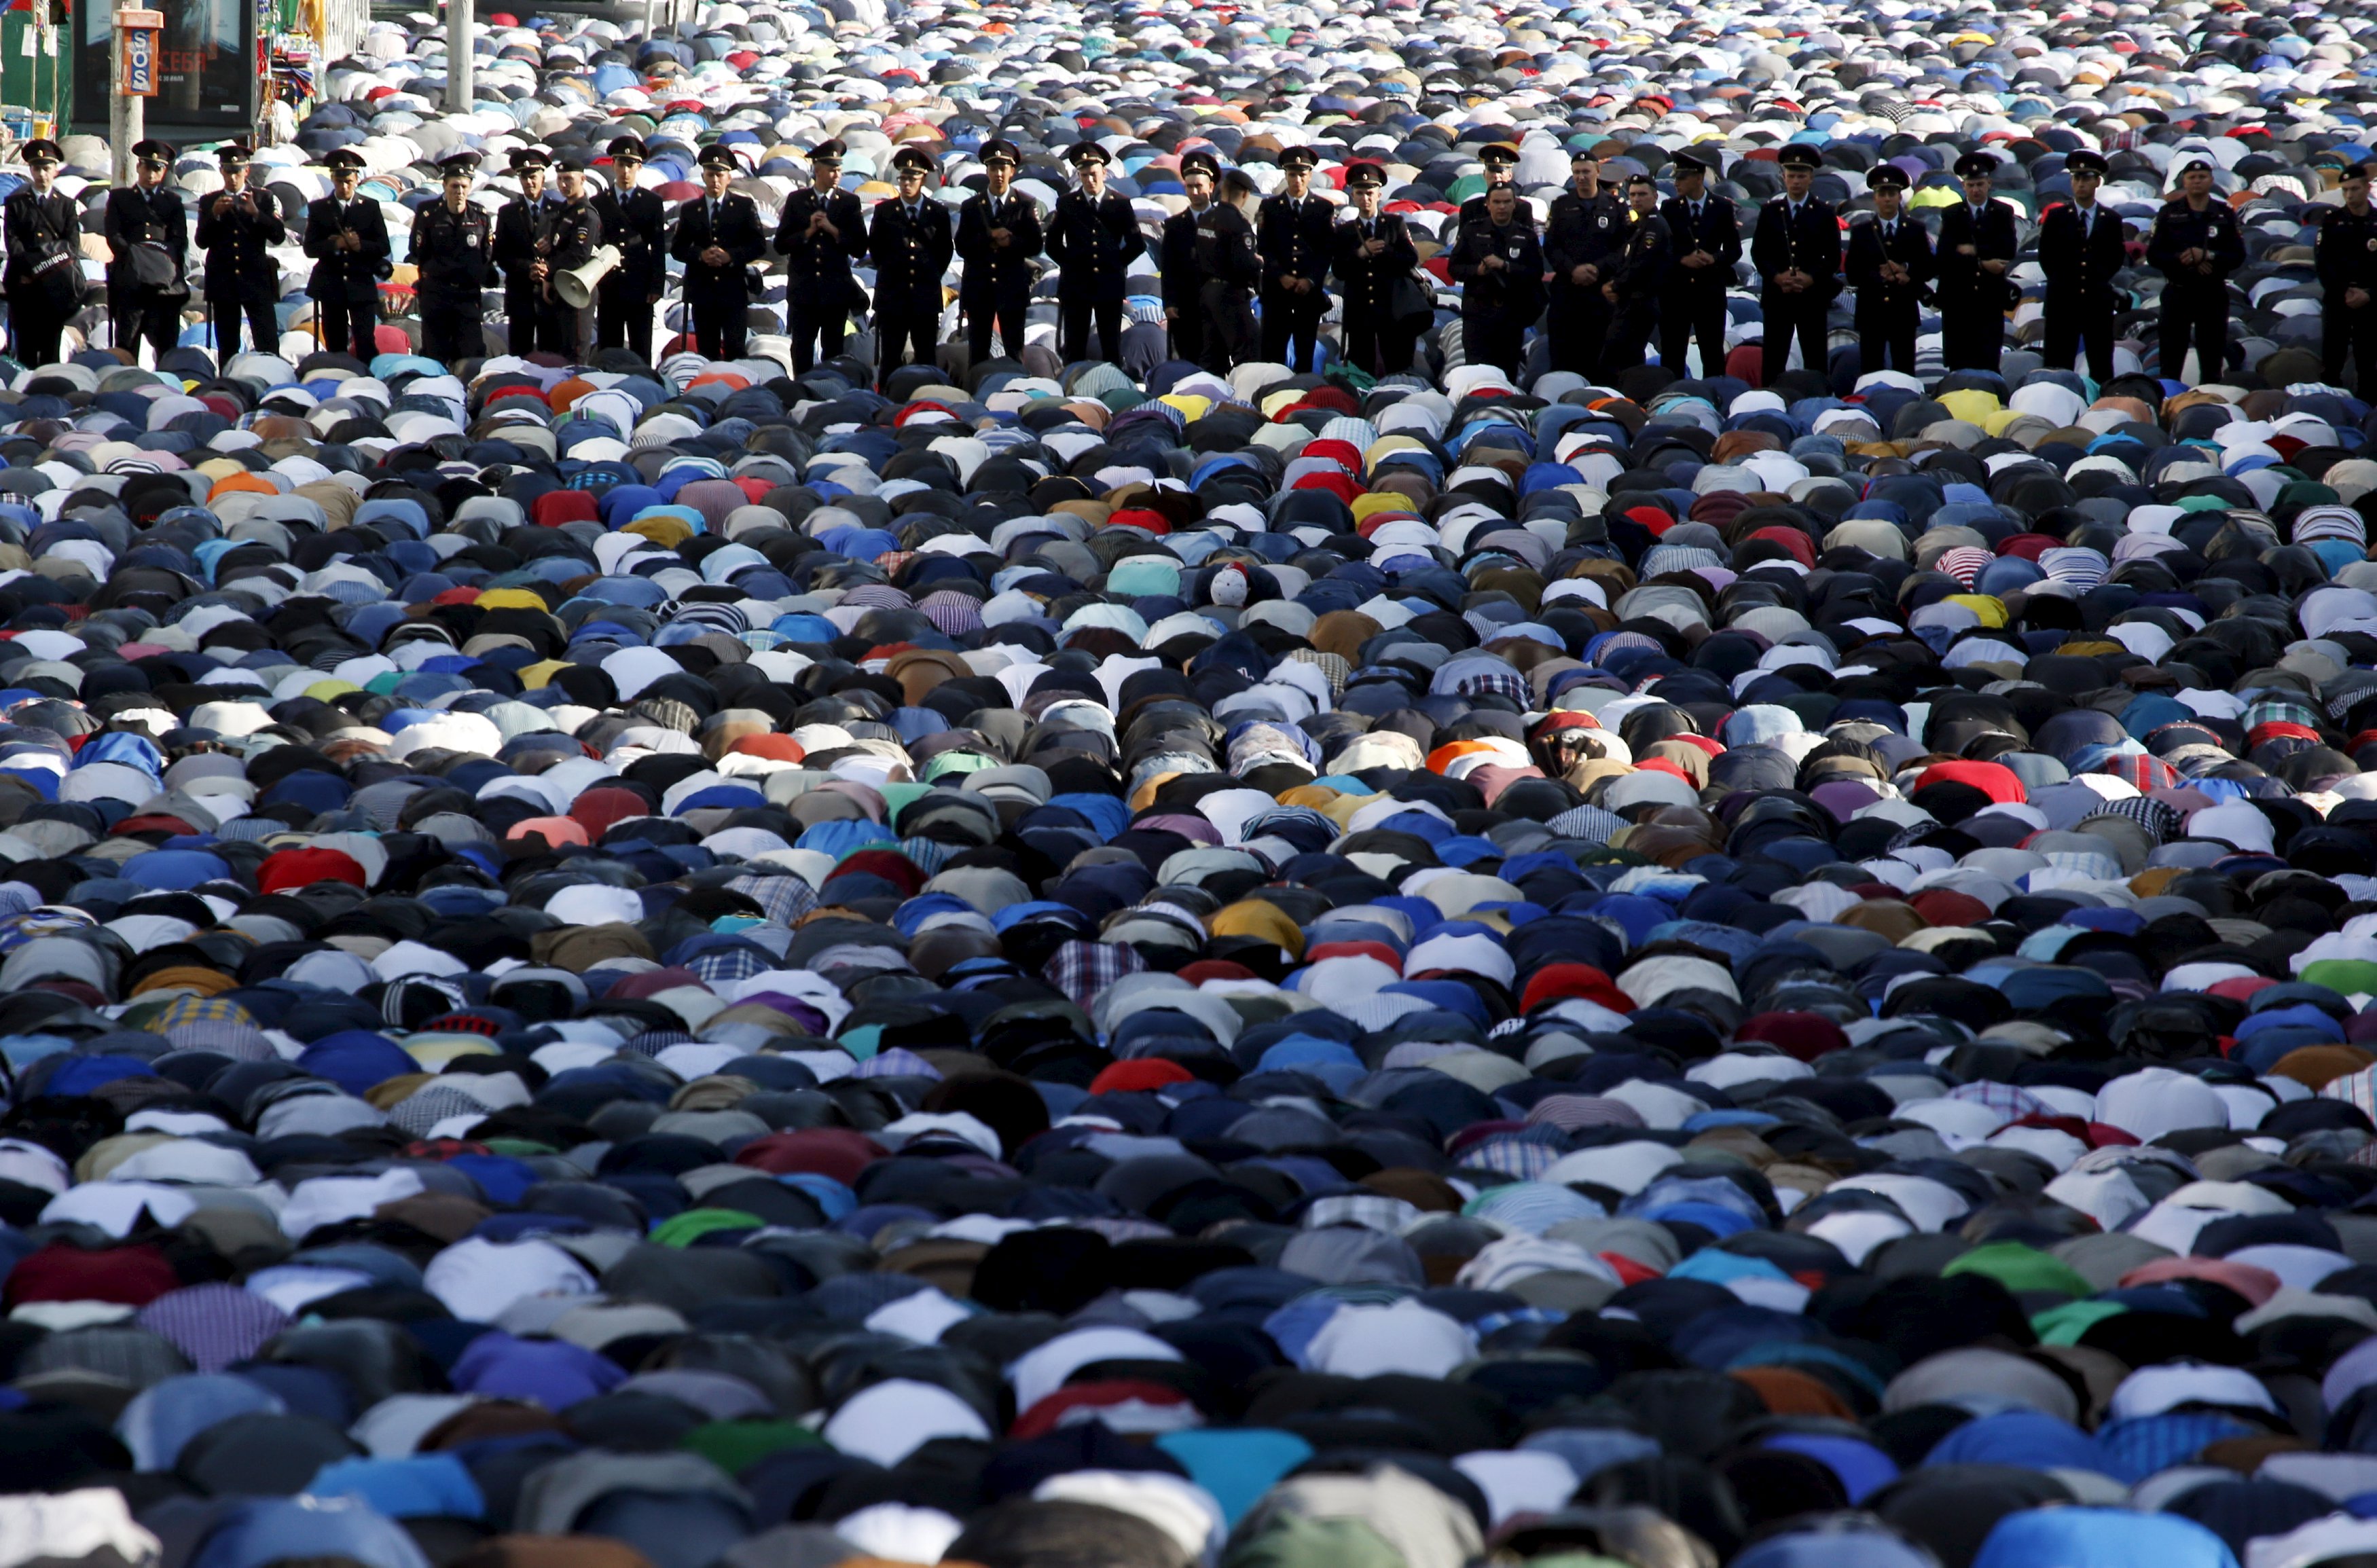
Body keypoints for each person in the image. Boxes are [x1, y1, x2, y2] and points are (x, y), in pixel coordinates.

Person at [2146, 156, 2243, 384]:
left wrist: (2209, 256)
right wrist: (2183, 259)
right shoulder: (2170, 214)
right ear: (2184, 182)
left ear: (2211, 180)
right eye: (2192, 177)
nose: (2197, 181)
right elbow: (2154, 255)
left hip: (2212, 293)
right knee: (2170, 358)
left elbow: (2237, 256)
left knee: (2212, 359)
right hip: (2178, 291)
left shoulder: (2224, 214)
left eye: (2202, 177)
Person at [776, 140, 867, 373]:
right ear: (818, 171)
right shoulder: (798, 201)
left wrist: (833, 229)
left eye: (839, 170)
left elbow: (859, 247)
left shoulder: (848, 202)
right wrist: (808, 231)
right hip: (804, 291)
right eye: (832, 170)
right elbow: (781, 244)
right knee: (802, 348)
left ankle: (829, 388)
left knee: (832, 350)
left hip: (835, 291)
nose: (837, 175)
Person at [1751, 143, 1840, 384]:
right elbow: (1759, 252)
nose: (1796, 181)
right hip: (1778, 294)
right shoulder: (1771, 211)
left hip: (1811, 295)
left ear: (1811, 178)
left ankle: (1817, 393)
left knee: (1815, 357)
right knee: (1774, 356)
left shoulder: (1824, 212)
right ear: (1783, 177)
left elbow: (1832, 256)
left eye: (1801, 176)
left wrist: (1811, 277)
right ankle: (1771, 393)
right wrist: (1777, 277)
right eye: (1791, 176)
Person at [1161, 151, 1256, 373]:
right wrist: (1170, 302)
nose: (1194, 192)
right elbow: (1169, 267)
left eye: (1199, 186)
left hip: (1218, 303)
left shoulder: (1225, 220)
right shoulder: (1175, 225)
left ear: (1211, 187)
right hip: (1187, 303)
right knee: (1188, 357)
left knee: (1217, 359)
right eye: (1190, 186)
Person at [2037, 148, 2128, 383]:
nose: (2081, 184)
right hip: (2062, 300)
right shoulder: (2057, 217)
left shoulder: (2111, 219)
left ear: (2098, 181)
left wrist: (2095, 280)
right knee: (2058, 363)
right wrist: (2066, 281)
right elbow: (2047, 257)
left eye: (2087, 178)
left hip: (2097, 301)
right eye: (2076, 178)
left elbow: (2115, 258)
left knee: (2100, 364)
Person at [1046, 143, 1140, 365]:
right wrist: (1071, 265)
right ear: (1079, 175)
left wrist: (1115, 265)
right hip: (1077, 285)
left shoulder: (1120, 203)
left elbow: (1137, 244)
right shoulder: (1068, 204)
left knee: (1110, 344)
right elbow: (1052, 243)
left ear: (1104, 173)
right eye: (1085, 175)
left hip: (1109, 284)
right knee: (1074, 345)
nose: (1090, 180)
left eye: (1094, 174)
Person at [670, 145, 767, 361]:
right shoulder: (690, 210)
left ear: (729, 178)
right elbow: (678, 247)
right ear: (703, 176)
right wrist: (700, 255)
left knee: (735, 349)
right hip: (703, 292)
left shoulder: (743, 206)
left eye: (720, 175)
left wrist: (731, 256)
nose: (715, 180)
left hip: (733, 290)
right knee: (707, 351)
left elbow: (758, 244)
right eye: (711, 174)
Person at [869, 145, 955, 385]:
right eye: (903, 178)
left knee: (926, 356)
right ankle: (888, 397)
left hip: (924, 296)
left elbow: (944, 252)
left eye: (912, 177)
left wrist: (929, 275)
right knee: (890, 358)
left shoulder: (937, 212)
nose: (906, 183)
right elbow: (876, 252)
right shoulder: (885, 211)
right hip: (893, 295)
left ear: (923, 178)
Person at [194, 142, 285, 363]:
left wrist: (256, 213)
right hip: (224, 281)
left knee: (267, 341)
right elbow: (201, 241)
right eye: (228, 172)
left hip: (255, 279)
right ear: (221, 171)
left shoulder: (263, 198)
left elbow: (278, 236)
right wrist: (214, 215)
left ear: (247, 171)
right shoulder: (209, 201)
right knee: (228, 345)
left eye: (237, 172)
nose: (233, 178)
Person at [1544, 147, 1628, 380]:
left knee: (1602, 360)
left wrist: (1599, 268)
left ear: (1597, 171)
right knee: (1564, 358)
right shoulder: (1561, 206)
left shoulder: (1615, 207)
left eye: (1586, 172)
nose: (1581, 177)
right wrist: (1573, 269)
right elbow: (1551, 246)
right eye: (1577, 172)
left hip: (1601, 293)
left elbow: (1623, 248)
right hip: (1568, 292)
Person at [954, 139, 1040, 365]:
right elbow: (962, 245)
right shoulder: (972, 206)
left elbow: (1035, 244)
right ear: (987, 171)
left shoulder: (1024, 204)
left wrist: (1010, 242)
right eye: (994, 169)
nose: (998, 174)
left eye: (1003, 169)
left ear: (1012, 171)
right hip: (979, 289)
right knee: (978, 352)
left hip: (1011, 288)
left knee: (1014, 350)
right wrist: (989, 238)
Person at [1330, 161, 1419, 378]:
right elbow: (1339, 270)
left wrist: (1385, 251)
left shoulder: (1394, 224)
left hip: (1392, 307)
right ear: (1353, 196)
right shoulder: (1345, 231)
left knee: (1397, 363)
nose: (1365, 198)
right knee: (1361, 366)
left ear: (1379, 194)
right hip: (1360, 309)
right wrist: (1359, 254)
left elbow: (1411, 258)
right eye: (1360, 193)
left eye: (1370, 192)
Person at [302, 147, 391, 363]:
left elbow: (383, 246)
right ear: (332, 179)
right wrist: (336, 245)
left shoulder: (369, 207)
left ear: (357, 179)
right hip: (332, 284)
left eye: (349, 181)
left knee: (365, 341)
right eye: (339, 182)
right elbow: (310, 248)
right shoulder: (320, 208)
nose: (344, 187)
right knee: (335, 343)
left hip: (360, 282)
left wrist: (360, 246)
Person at [103, 139, 186, 367]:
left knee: (167, 347)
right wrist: (135, 256)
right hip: (131, 283)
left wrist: (158, 260)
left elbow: (179, 240)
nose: (151, 174)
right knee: (127, 344)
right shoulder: (121, 198)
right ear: (138, 167)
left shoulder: (172, 202)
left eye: (157, 169)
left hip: (163, 286)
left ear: (165, 171)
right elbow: (114, 235)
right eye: (147, 167)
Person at [1845, 164, 1931, 379]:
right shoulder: (1862, 231)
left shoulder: (1915, 229)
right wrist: (1878, 276)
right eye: (1882, 193)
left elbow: (1929, 266)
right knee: (1871, 367)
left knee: (1904, 368)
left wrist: (1907, 271)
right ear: (1874, 197)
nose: (1887, 199)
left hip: (1903, 310)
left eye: (1891, 193)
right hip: (1871, 310)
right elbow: (1853, 271)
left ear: (1899, 196)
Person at [1658, 151, 1741, 379]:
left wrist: (1715, 258)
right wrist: (1682, 259)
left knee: (1712, 351)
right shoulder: (1670, 207)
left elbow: (1735, 250)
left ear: (1698, 178)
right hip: (1678, 291)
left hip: (1709, 290)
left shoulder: (1721, 207)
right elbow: (1664, 249)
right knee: (1673, 351)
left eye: (1682, 178)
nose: (1676, 183)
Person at [1935, 151, 2018, 375]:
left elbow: (2008, 250)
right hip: (1958, 300)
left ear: (1989, 183)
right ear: (1963, 186)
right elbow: (1945, 256)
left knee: (1989, 361)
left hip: (1989, 300)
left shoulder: (2002, 212)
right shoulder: (1952, 214)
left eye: (1980, 184)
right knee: (1959, 364)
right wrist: (1983, 262)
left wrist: (1973, 252)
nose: (1976, 190)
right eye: (1971, 185)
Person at [1449, 182, 1544, 378]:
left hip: (1510, 315)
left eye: (1507, 202)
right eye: (1497, 202)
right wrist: (1477, 270)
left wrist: (1506, 266)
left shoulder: (1526, 236)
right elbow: (1454, 268)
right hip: (1478, 315)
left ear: (1514, 205)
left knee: (1507, 374)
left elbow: (1536, 272)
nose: (1502, 207)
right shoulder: (1472, 231)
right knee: (1476, 373)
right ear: (1488, 204)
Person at [411, 152, 494, 366]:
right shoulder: (428, 214)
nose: (459, 192)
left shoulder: (480, 216)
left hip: (467, 297)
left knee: (471, 359)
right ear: (444, 186)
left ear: (470, 187)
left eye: (464, 187)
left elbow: (486, 256)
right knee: (434, 358)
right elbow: (418, 251)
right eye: (454, 186)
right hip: (437, 296)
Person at [1256, 146, 1334, 371]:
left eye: (1302, 174)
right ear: (1285, 175)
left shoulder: (1322, 208)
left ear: (1310, 176)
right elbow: (1265, 246)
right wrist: (1281, 275)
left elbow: (1326, 251)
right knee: (1273, 352)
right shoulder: (1270, 207)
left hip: (1307, 293)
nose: (1297, 180)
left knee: (1305, 351)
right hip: (1277, 291)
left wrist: (1310, 280)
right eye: (1292, 174)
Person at [592, 136, 667, 363]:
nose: (625, 170)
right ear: (613, 165)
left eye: (631, 164)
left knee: (641, 348)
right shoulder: (599, 202)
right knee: (608, 348)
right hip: (610, 283)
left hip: (640, 284)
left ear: (639, 167)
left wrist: (657, 285)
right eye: (621, 164)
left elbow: (658, 246)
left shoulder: (652, 202)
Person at [1601, 175, 1671, 374]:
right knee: (1627, 358)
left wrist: (1615, 286)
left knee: (1616, 358)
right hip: (1631, 300)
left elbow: (1642, 264)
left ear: (1655, 196)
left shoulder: (1654, 226)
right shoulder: (1639, 225)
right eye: (1633, 195)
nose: (1637, 199)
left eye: (1642, 194)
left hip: (1641, 301)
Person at [492, 147, 556, 356]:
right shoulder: (508, 213)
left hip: (552, 295)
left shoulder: (558, 210)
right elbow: (501, 254)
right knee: (519, 354)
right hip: (521, 294)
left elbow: (570, 250)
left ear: (543, 177)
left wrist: (549, 267)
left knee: (551, 354)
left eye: (533, 177)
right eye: (524, 178)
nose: (529, 182)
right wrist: (527, 267)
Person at [2321, 164, 2377, 397]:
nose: (2350, 195)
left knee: (2368, 364)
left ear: (2367, 188)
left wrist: (2369, 294)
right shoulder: (2332, 222)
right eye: (2345, 190)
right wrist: (2344, 291)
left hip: (2371, 303)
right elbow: (2324, 265)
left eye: (2355, 189)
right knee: (2332, 361)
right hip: (2338, 301)